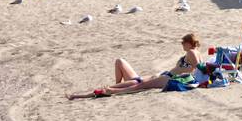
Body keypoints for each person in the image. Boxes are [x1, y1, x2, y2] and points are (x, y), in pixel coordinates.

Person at [67, 33, 204, 99]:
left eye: (183, 42)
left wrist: (186, 73)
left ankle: (102, 93)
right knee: (131, 80)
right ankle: (81, 95)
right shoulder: (195, 53)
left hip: (168, 78)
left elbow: (198, 68)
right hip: (163, 76)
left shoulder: (191, 52)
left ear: (189, 43)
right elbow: (199, 67)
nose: (181, 44)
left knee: (138, 86)